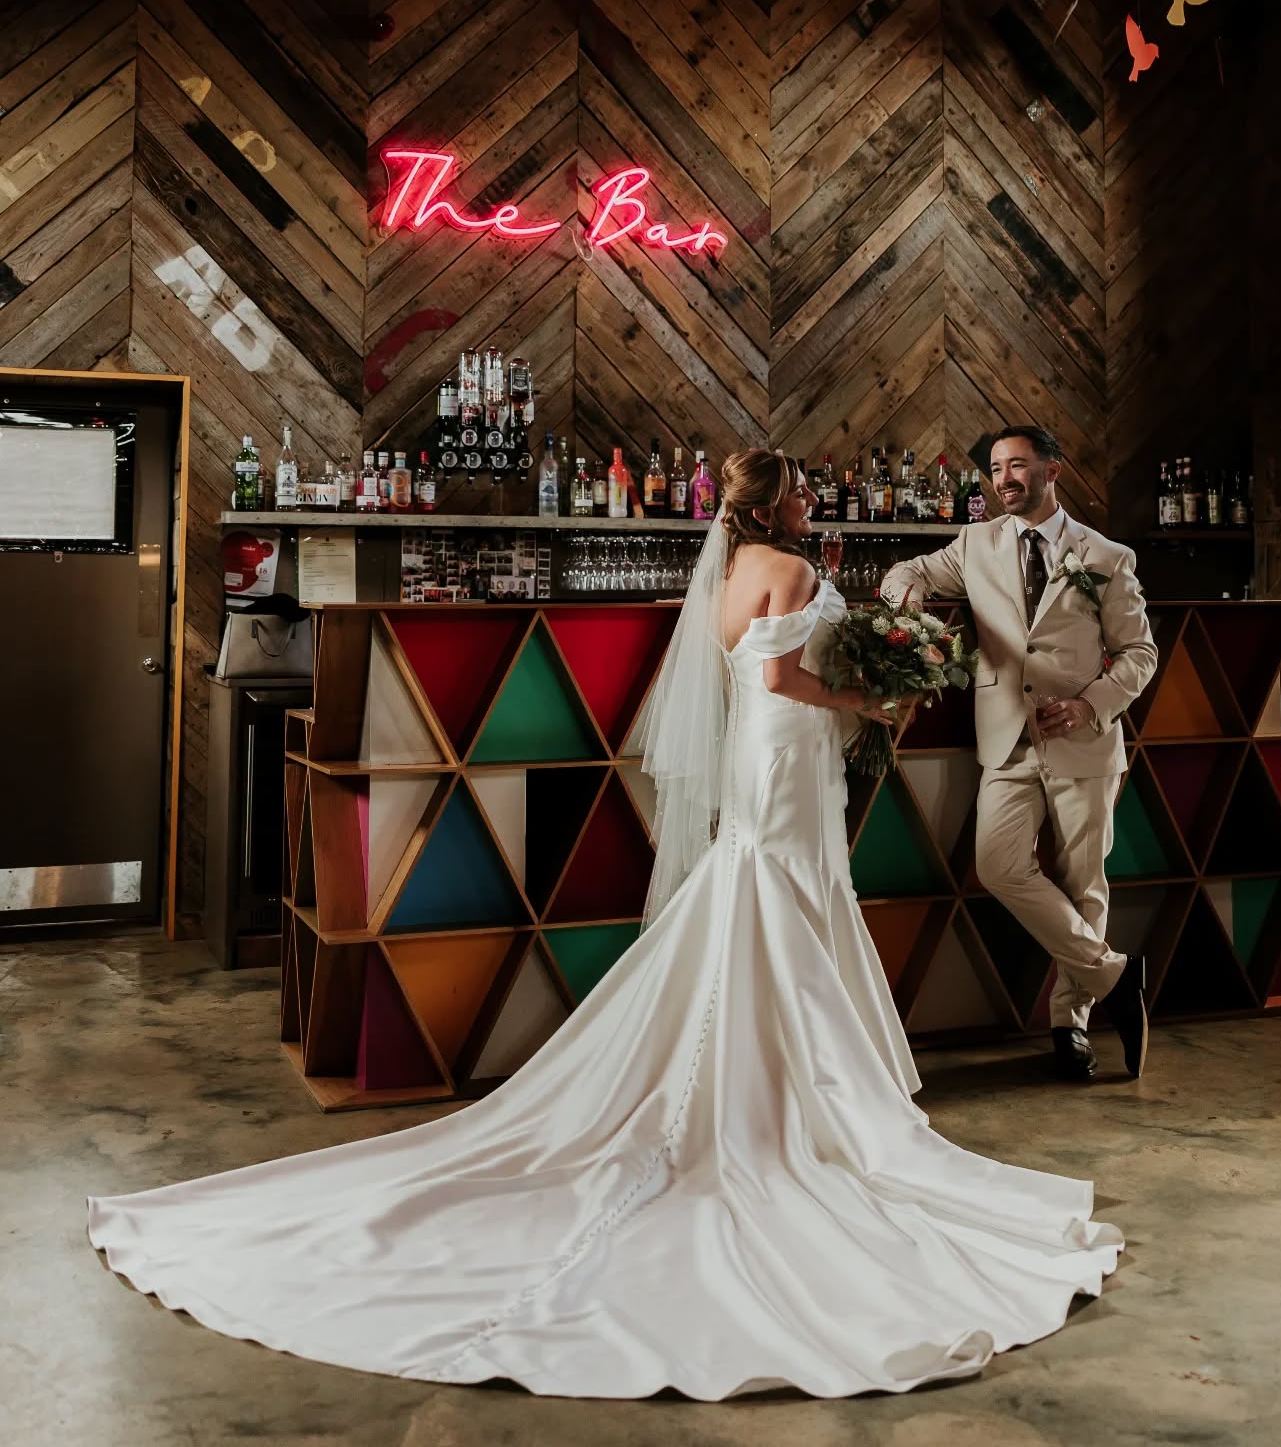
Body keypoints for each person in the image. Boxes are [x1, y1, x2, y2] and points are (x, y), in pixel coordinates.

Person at [88, 449, 1121, 1400]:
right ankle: (797, 1094)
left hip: (767, 757)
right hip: (794, 744)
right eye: (803, 489)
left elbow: (745, 671)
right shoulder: (794, 574)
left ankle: (774, 1068)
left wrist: (851, 688)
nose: (816, 500)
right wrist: (868, 698)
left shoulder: (728, 575)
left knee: (762, 884)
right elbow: (780, 677)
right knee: (788, 887)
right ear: (774, 503)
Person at [882, 426, 1157, 1084]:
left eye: (1017, 466)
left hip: (1084, 741)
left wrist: (1091, 704)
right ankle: (1116, 975)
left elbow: (1141, 653)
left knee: (1083, 882)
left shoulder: (1106, 555)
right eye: (996, 469)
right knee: (998, 865)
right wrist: (909, 605)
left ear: (1052, 470)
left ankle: (1072, 1027)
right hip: (1006, 738)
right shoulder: (975, 543)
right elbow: (907, 572)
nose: (1004, 478)